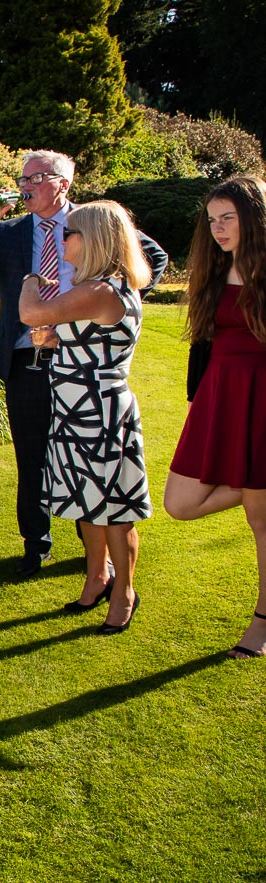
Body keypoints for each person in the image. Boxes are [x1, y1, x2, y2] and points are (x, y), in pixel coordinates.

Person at [0, 150, 168, 580]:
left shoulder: (94, 223)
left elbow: (153, 257)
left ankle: (95, 553)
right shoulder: (10, 232)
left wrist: (108, 313)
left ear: (63, 184)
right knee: (32, 456)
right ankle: (35, 545)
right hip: (27, 359)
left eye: (35, 178)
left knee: (85, 453)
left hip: (83, 362)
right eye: (22, 179)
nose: (24, 186)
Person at [18, 201, 153, 634]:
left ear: (93, 239)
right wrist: (56, 342)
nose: (62, 239)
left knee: (114, 507)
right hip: (76, 409)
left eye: (69, 232)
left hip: (99, 412)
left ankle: (124, 591)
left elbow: (30, 312)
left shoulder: (103, 290)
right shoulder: (97, 288)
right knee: (86, 502)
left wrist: (30, 280)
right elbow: (91, 342)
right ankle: (97, 577)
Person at [164, 176, 266, 658]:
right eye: (212, 220)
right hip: (220, 397)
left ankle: (262, 622)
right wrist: (198, 398)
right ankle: (256, 486)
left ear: (255, 218)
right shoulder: (214, 269)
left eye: (228, 218)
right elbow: (203, 344)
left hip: (261, 396)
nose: (218, 228)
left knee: (260, 521)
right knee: (180, 503)